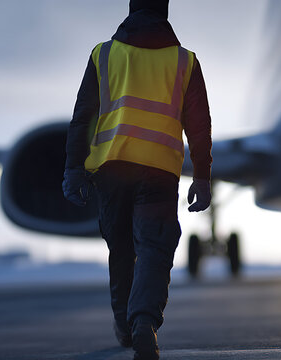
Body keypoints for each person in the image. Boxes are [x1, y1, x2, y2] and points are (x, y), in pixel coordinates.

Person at [62, 0, 212, 358]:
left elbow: (83, 116)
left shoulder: (103, 54)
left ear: (131, 9)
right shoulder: (184, 61)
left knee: (121, 249)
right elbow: (199, 125)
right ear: (165, 12)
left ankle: (124, 324)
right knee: (154, 249)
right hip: (159, 169)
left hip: (111, 168)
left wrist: (73, 168)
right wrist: (203, 177)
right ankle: (143, 322)